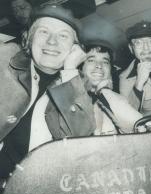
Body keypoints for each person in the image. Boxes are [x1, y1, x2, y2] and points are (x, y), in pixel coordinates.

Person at [0, 4, 95, 180]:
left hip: (31, 190)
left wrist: (70, 71)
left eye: (63, 36)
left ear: (75, 48)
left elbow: (80, 140)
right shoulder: (4, 59)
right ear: (28, 38)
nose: (52, 41)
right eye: (44, 31)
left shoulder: (76, 84)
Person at [79, 18, 142, 135]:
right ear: (81, 67)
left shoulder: (118, 100)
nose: (99, 66)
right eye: (91, 60)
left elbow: (136, 128)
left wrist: (104, 91)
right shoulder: (70, 98)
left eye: (105, 61)